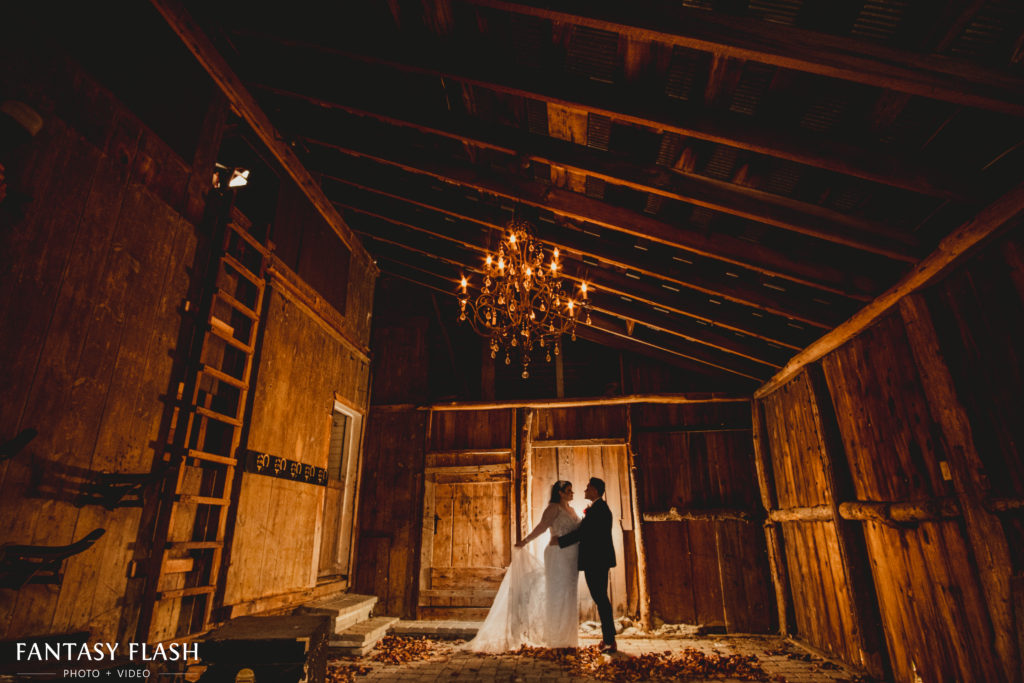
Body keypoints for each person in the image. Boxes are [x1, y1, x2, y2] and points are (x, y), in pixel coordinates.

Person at [465, 480, 581, 652]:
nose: (572, 493)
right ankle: (556, 638)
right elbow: (542, 527)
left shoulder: (572, 510)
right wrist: (525, 541)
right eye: (569, 490)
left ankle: (568, 637)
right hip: (557, 555)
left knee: (569, 594)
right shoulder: (553, 508)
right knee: (557, 594)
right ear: (560, 493)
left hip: (572, 557)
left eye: (572, 490)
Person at [552, 477, 617, 653]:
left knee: (601, 599)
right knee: (601, 599)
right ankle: (609, 638)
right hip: (597, 561)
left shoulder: (599, 510)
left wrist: (560, 541)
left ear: (595, 490)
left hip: (596, 561)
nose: (584, 491)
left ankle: (610, 640)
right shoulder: (597, 508)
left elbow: (584, 533)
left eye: (588, 488)